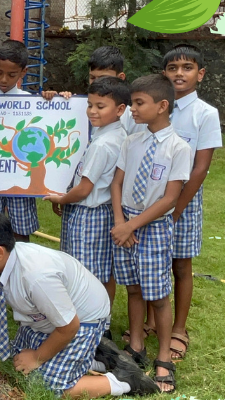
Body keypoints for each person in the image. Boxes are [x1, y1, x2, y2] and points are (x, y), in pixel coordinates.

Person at [0, 209, 159, 398]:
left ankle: (123, 381)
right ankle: (92, 358)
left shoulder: (36, 277)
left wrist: (37, 357)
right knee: (17, 364)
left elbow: (69, 327)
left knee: (52, 387)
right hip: (50, 317)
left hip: (83, 319)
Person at [110, 74, 192, 393]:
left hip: (152, 227)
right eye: (132, 102)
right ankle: (137, 347)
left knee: (157, 296)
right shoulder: (131, 141)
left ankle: (163, 358)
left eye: (138, 103)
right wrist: (121, 222)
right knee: (132, 288)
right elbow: (117, 182)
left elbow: (170, 198)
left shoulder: (178, 147)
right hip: (125, 223)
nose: (132, 108)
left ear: (161, 106)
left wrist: (133, 225)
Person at [143, 44, 221, 361]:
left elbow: (200, 168)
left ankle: (178, 328)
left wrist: (176, 208)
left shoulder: (205, 114)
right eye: (173, 68)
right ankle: (149, 320)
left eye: (187, 68)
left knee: (180, 264)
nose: (179, 73)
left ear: (200, 74)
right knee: (151, 260)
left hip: (184, 203)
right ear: (164, 73)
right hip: (150, 199)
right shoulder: (155, 107)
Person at [44, 76, 130, 340]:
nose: (93, 111)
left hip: (87, 215)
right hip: (98, 213)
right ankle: (99, 325)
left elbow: (84, 189)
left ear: (120, 110)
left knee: (83, 272)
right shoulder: (115, 135)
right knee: (99, 270)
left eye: (100, 106)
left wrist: (61, 198)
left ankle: (88, 328)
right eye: (90, 104)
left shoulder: (103, 144)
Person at [0, 40, 58, 242]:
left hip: (22, 179)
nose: (4, 79)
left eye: (11, 74)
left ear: (23, 72)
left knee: (20, 232)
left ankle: (21, 271)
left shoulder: (34, 102)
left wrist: (56, 100)